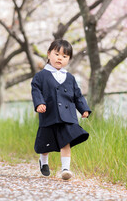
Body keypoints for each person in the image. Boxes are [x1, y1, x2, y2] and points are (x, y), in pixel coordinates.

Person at [31, 39, 91, 180]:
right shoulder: (40, 76)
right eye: (57, 54)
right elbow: (36, 91)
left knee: (66, 141)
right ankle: (43, 161)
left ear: (69, 59)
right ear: (48, 54)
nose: (60, 58)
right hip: (49, 114)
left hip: (67, 116)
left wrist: (84, 109)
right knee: (45, 142)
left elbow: (77, 95)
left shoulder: (70, 78)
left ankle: (65, 169)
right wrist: (39, 103)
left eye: (65, 56)